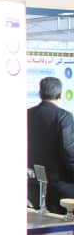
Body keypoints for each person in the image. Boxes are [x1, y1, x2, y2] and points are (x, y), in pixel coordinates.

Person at [28, 76, 74, 213]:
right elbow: (68, 152)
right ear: (60, 95)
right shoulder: (64, 117)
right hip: (61, 188)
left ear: (40, 93)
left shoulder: (27, 114)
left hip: (34, 186)